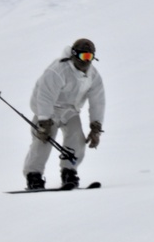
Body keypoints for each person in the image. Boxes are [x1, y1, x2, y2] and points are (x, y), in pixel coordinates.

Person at [22, 38, 106, 190]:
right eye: (83, 56)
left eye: (89, 57)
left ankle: (69, 171)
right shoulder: (58, 70)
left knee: (77, 139)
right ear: (74, 55)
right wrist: (44, 122)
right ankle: (33, 175)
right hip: (48, 111)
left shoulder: (93, 75)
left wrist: (96, 127)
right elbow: (44, 96)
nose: (86, 61)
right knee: (43, 141)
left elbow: (98, 101)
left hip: (70, 111)